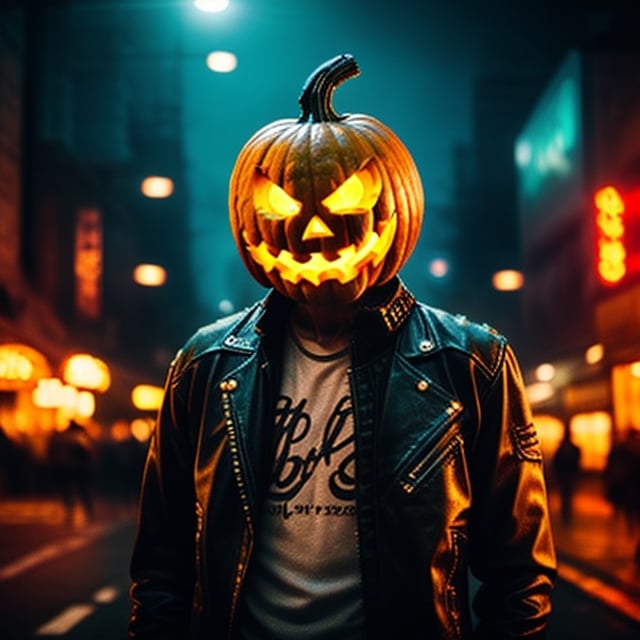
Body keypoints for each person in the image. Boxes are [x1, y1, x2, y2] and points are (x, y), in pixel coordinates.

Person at [129, 54, 556, 639]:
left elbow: (519, 579)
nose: (314, 229)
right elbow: (161, 562)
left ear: (395, 206)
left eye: (348, 200)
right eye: (280, 205)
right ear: (248, 218)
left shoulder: (471, 363)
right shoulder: (203, 367)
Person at [551, 426, 581, 525]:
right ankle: (566, 513)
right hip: (568, 474)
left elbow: (556, 461)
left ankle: (565, 513)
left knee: (565, 494)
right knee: (567, 494)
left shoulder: (561, 448)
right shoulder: (574, 448)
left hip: (563, 475)